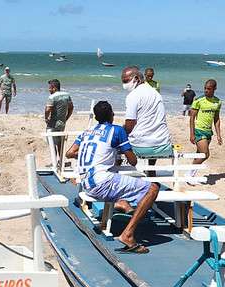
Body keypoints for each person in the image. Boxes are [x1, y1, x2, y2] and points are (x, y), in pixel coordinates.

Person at [66, 101, 159, 254]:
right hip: (101, 183)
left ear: (96, 117)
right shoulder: (116, 130)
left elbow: (69, 153)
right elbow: (133, 161)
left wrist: (96, 155)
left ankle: (123, 206)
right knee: (152, 188)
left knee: (121, 186)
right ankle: (127, 235)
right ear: (112, 115)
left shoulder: (86, 132)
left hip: (87, 185)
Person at [121, 66, 173, 166]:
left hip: (141, 147)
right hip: (163, 144)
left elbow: (129, 125)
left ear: (136, 78)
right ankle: (151, 171)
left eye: (126, 81)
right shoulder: (155, 93)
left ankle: (116, 173)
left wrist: (121, 133)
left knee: (116, 142)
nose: (124, 84)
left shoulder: (133, 96)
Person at [188, 79, 223, 180]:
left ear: (214, 89)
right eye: (205, 88)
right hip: (199, 130)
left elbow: (216, 119)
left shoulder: (218, 102)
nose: (206, 91)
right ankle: (189, 174)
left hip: (208, 132)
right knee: (205, 154)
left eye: (209, 89)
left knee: (199, 154)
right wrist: (192, 134)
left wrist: (218, 135)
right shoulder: (199, 101)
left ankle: (191, 175)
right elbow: (192, 118)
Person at [45, 79, 74, 163]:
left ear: (54, 88)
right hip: (62, 122)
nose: (49, 90)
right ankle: (61, 161)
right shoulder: (66, 95)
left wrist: (46, 118)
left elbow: (48, 109)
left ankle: (54, 162)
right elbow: (71, 108)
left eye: (50, 88)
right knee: (60, 142)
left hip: (53, 123)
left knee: (52, 142)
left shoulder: (52, 97)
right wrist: (66, 118)